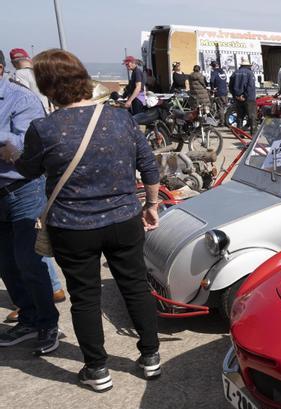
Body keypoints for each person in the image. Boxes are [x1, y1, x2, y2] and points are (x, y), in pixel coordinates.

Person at [9, 49, 161, 389]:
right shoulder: (120, 117)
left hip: (73, 226)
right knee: (135, 286)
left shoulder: (43, 128)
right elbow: (149, 166)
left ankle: (97, 369)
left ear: (47, 87)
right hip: (124, 220)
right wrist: (151, 205)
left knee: (86, 297)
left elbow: (28, 170)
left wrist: (12, 154)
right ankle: (150, 357)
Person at [0, 49, 60, 354]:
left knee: (29, 259)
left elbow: (25, 146)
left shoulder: (20, 99)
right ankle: (29, 317)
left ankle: (49, 323)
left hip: (23, 188)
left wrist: (5, 143)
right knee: (6, 263)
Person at [230, 59, 257, 132]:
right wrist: (244, 96)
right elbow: (250, 87)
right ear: (248, 66)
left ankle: (239, 133)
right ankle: (253, 134)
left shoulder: (235, 73)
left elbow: (230, 86)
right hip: (249, 99)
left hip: (238, 99)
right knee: (252, 117)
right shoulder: (250, 73)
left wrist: (236, 96)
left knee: (240, 117)